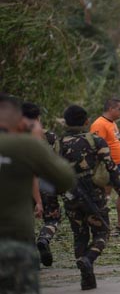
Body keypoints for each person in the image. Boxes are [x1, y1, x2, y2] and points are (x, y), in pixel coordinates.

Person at [0, 93, 76, 293]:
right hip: (14, 245)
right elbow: (65, 179)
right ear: (19, 120)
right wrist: (34, 139)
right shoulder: (25, 145)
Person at [59, 105, 120, 290]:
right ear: (86, 122)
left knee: (79, 235)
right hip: (94, 195)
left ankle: (86, 277)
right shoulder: (96, 141)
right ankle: (89, 259)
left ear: (65, 122)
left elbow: (50, 172)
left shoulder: (58, 144)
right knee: (102, 232)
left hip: (70, 196)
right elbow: (111, 166)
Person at [22, 102, 64, 267]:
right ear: (39, 117)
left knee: (26, 220)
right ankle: (44, 239)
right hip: (46, 183)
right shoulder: (50, 136)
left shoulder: (14, 137)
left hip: (22, 184)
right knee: (53, 218)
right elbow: (56, 162)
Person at [90, 98, 120, 233]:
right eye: (119, 109)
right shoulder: (99, 124)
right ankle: (99, 224)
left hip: (117, 165)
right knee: (104, 195)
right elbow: (95, 146)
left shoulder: (112, 123)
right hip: (106, 166)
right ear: (110, 109)